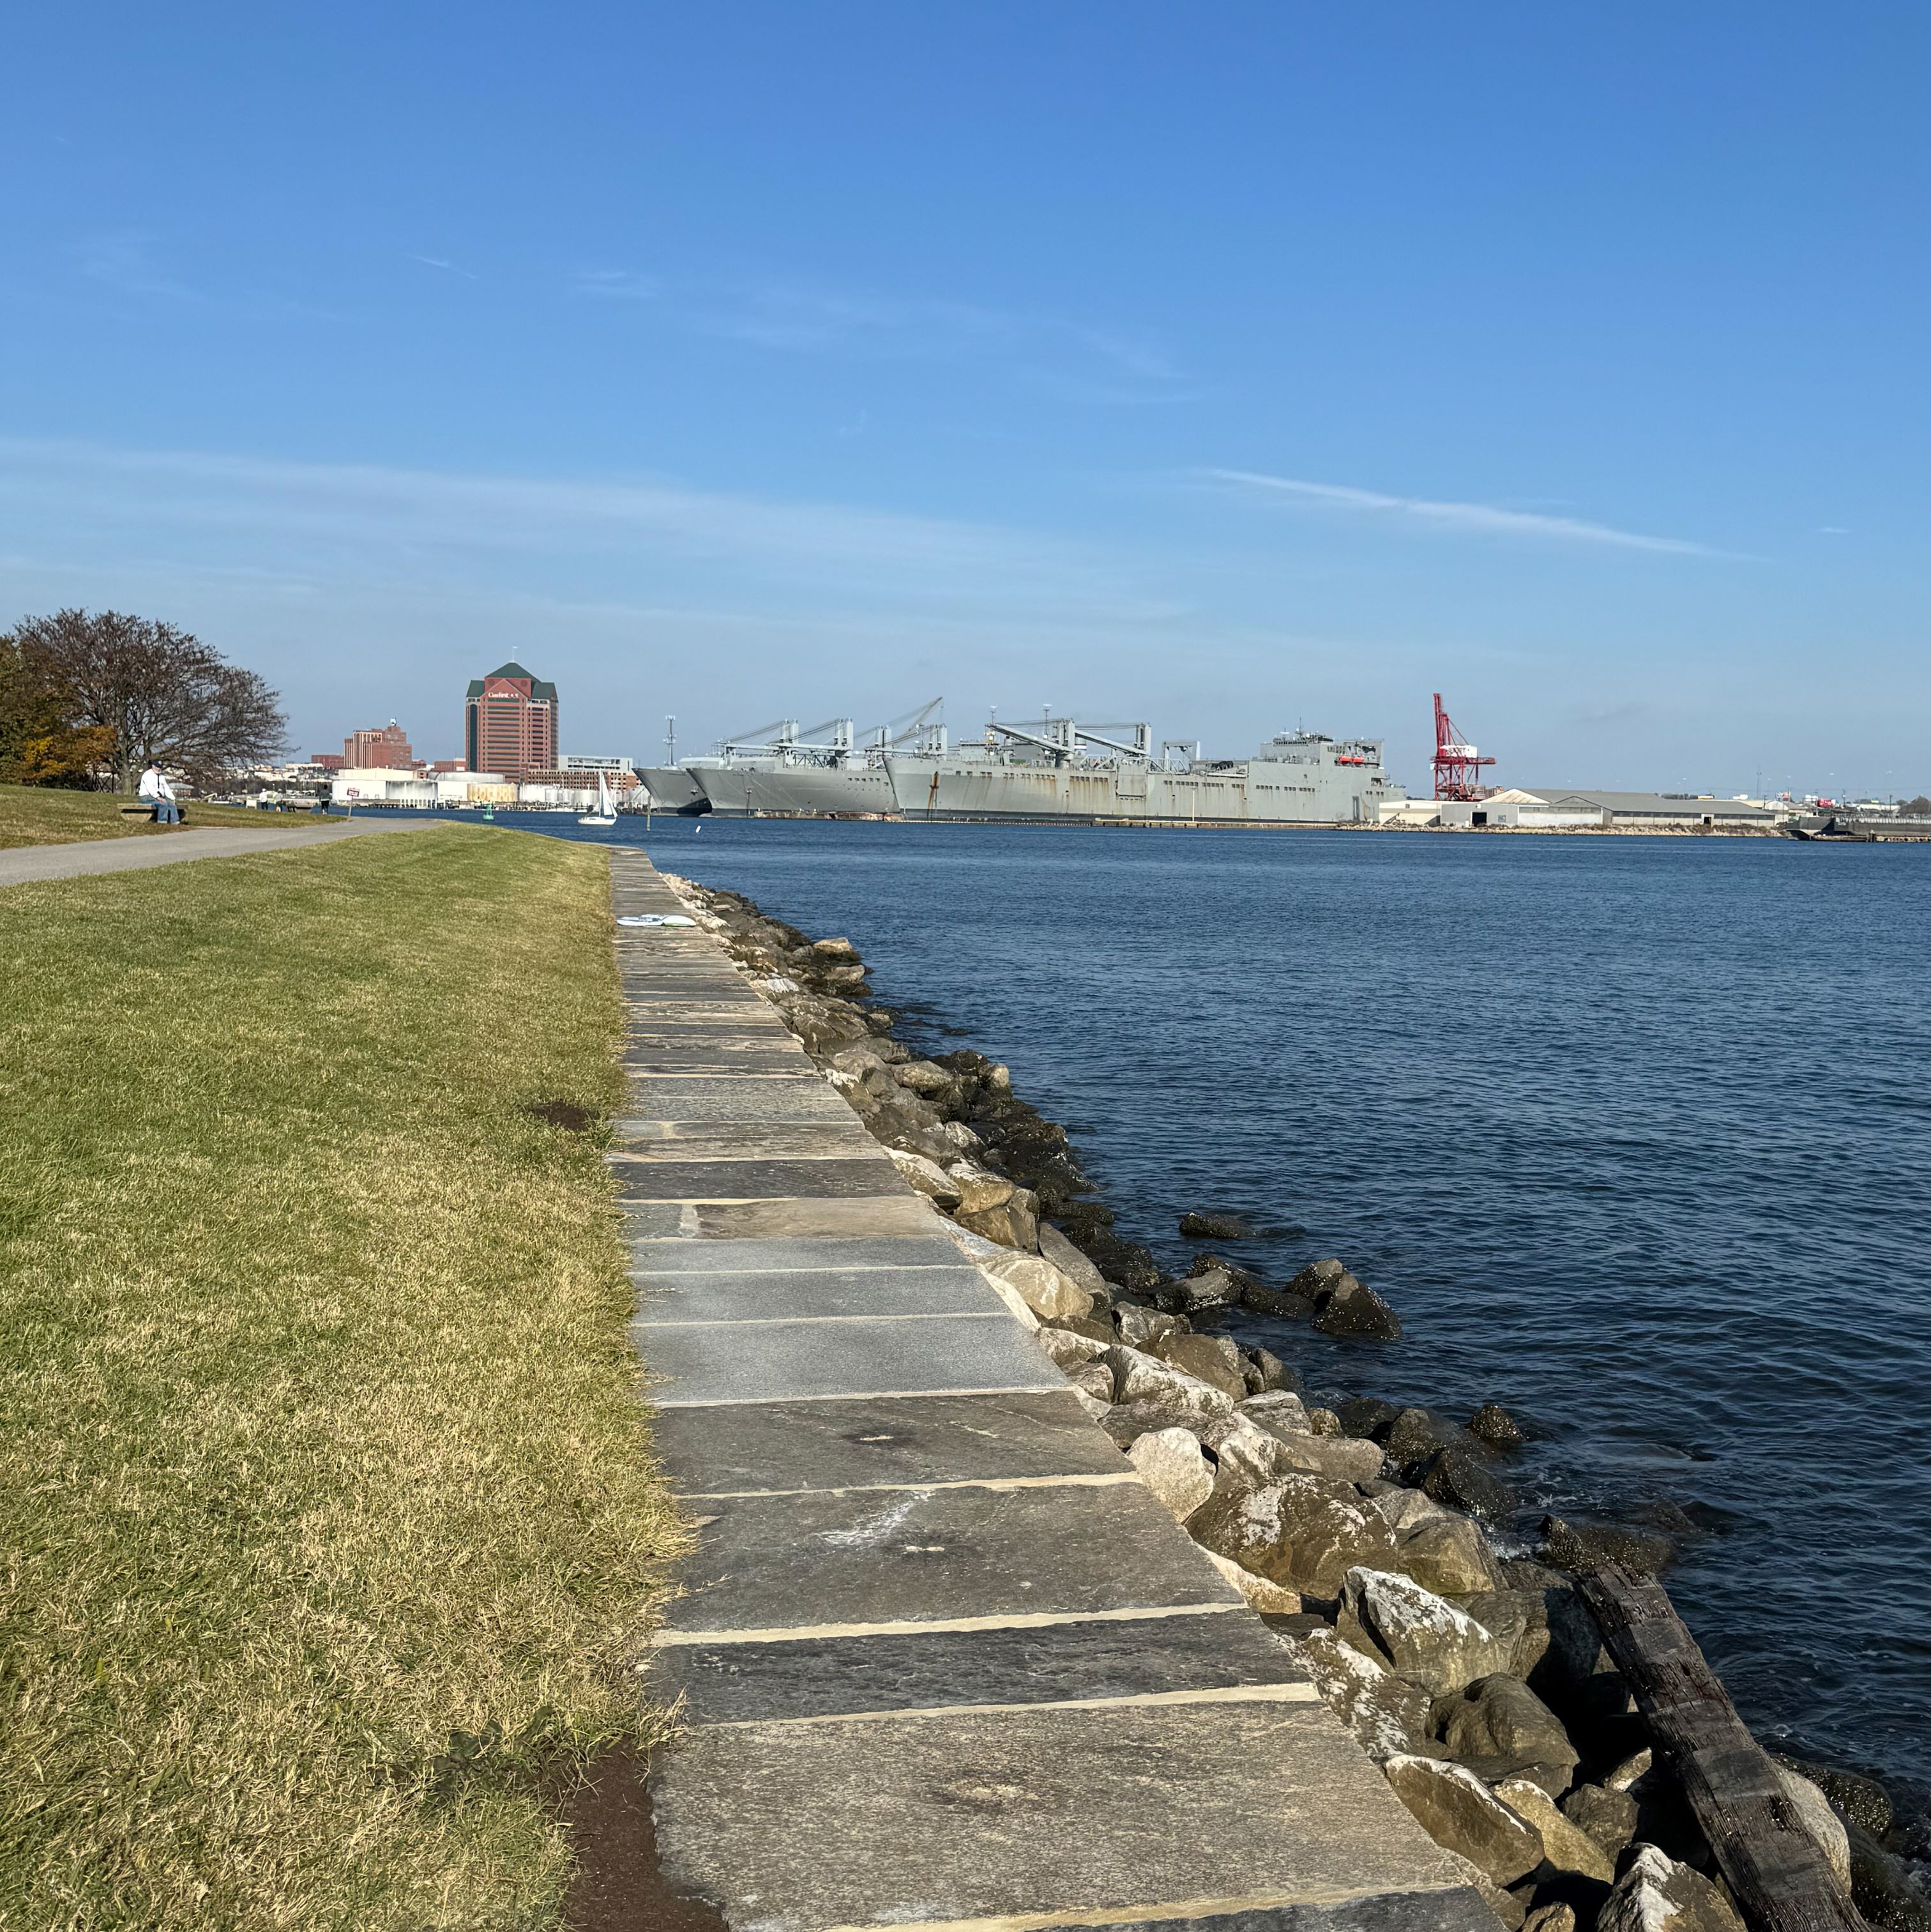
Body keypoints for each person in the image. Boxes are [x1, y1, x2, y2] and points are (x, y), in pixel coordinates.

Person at [139, 760, 181, 825]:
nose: (158, 769)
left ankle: (175, 822)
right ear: (153, 766)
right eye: (157, 767)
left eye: (160, 767)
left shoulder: (162, 776)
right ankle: (162, 822)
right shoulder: (147, 775)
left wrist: (172, 798)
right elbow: (150, 788)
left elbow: (166, 788)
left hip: (158, 797)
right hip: (147, 797)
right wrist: (158, 797)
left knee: (172, 804)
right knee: (163, 804)